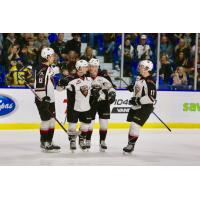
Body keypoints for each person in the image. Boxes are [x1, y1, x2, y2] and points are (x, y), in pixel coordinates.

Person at [58, 59, 92, 151]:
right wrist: (61, 83)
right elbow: (58, 89)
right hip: (73, 107)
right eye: (85, 66)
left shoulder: (89, 79)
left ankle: (81, 138)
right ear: (79, 68)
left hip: (86, 107)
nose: (87, 68)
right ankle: (72, 140)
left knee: (86, 125)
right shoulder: (70, 79)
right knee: (72, 126)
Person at [123, 60, 156, 153]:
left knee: (134, 125)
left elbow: (151, 97)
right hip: (136, 106)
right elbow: (138, 87)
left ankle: (131, 145)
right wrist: (131, 87)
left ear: (147, 69)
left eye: (141, 66)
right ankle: (130, 144)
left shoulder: (150, 81)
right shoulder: (139, 77)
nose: (139, 67)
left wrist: (137, 100)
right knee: (132, 126)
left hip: (145, 107)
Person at [86, 58, 116, 151]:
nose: (92, 68)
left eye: (94, 66)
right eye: (91, 66)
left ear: (98, 67)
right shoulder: (85, 77)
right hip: (90, 102)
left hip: (104, 102)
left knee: (104, 123)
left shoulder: (104, 76)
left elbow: (111, 87)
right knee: (89, 123)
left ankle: (102, 141)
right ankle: (88, 140)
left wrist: (112, 94)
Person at [34, 47, 61, 152]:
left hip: (50, 99)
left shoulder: (49, 68)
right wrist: (43, 99)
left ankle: (49, 141)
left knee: (52, 121)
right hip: (43, 100)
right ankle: (44, 142)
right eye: (52, 55)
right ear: (47, 56)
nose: (54, 57)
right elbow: (40, 86)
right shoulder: (42, 69)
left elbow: (53, 81)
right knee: (46, 121)